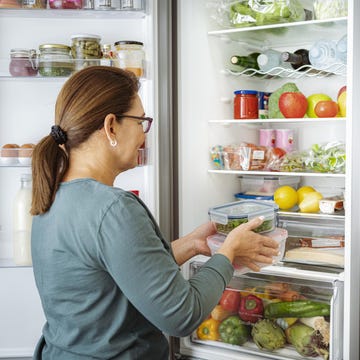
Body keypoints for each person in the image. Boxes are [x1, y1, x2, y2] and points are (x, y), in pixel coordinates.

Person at [30, 66, 279, 360]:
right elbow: (182, 315)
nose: (143, 135)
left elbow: (113, 277)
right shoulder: (113, 208)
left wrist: (190, 245)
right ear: (111, 126)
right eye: (140, 122)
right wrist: (229, 253)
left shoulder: (52, 195)